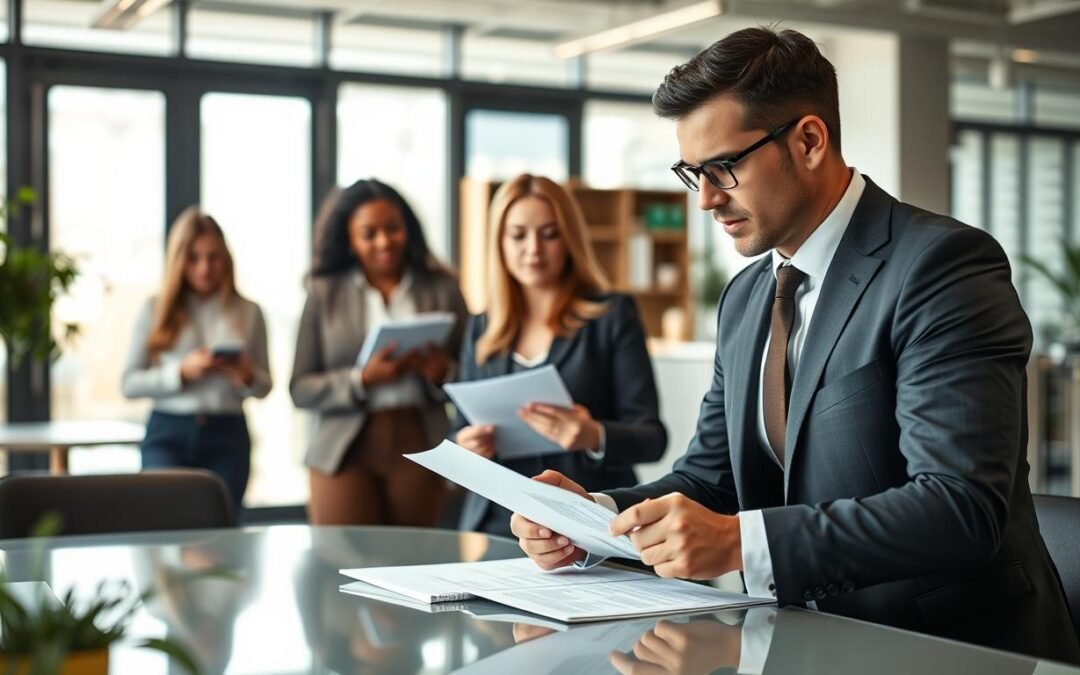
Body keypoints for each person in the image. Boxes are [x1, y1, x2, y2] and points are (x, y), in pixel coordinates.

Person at [509, 27, 1080, 663]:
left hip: (947, 648)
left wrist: (741, 543)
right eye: (692, 172)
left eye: (724, 167)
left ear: (809, 141)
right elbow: (712, 478)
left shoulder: (942, 266)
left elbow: (958, 505)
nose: (706, 199)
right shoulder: (747, 297)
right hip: (798, 647)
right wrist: (596, 517)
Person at [453, 174, 667, 538]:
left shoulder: (612, 316)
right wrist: (465, 446)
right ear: (499, 243)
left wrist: (594, 435)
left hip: (585, 518)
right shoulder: (481, 329)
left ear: (569, 239)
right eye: (518, 235)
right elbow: (459, 428)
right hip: (497, 524)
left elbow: (652, 437)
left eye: (549, 234)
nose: (533, 249)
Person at [290, 179, 468, 526]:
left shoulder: (443, 288)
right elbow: (300, 388)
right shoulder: (324, 293)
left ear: (408, 229)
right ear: (350, 240)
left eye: (393, 228)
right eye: (368, 233)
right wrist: (361, 380)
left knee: (414, 562)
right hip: (344, 447)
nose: (384, 241)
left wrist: (442, 372)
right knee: (341, 563)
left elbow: (476, 373)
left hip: (419, 439)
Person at [122, 207, 271, 516]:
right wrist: (180, 373)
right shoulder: (155, 310)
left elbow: (265, 386)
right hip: (168, 432)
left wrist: (246, 376)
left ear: (226, 258)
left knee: (220, 529)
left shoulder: (249, 312)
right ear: (179, 261)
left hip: (227, 434)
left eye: (213, 257)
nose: (205, 268)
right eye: (194, 258)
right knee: (165, 526)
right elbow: (129, 383)